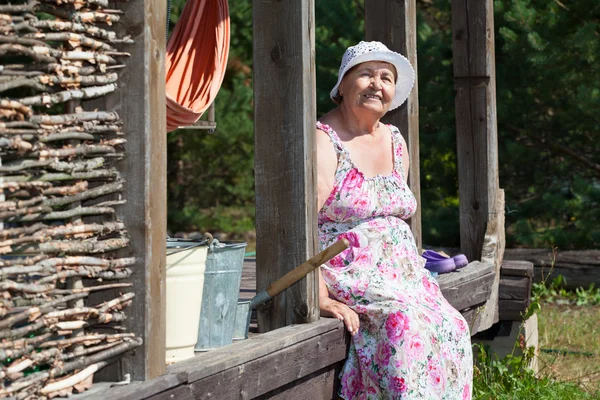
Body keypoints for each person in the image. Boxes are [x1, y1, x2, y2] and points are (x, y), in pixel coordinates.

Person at [316, 41, 473, 400]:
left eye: (386, 77)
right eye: (366, 74)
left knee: (453, 326)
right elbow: (300, 226)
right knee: (404, 328)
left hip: (405, 278)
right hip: (353, 275)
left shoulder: (395, 141)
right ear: (342, 85)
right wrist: (317, 295)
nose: (376, 84)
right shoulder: (324, 139)